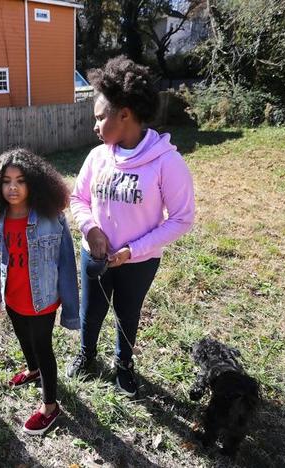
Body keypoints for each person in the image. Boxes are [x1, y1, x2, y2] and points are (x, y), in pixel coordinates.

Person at [65, 56, 195, 397]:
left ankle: (124, 366)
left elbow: (182, 218)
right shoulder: (97, 157)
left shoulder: (167, 162)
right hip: (94, 256)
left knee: (126, 316)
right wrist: (91, 229)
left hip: (138, 263)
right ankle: (86, 355)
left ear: (124, 113)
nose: (95, 126)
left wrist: (133, 250)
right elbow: (77, 198)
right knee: (91, 312)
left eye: (100, 117)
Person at [0, 148, 79, 436]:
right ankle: (32, 369)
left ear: (34, 183)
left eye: (20, 180)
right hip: (13, 296)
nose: (13, 187)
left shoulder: (51, 216)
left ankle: (50, 406)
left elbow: (67, 262)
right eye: (6, 181)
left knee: (43, 346)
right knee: (22, 335)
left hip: (42, 298)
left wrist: (70, 307)